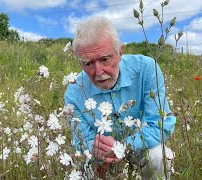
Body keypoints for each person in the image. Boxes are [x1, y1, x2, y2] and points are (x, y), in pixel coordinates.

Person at [64, 16, 176, 180]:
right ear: (80, 62)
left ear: (120, 52)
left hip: (139, 148)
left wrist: (122, 146)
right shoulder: (74, 93)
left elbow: (162, 125)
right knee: (82, 170)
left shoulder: (146, 68)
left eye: (105, 59)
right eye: (88, 63)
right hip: (101, 158)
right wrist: (93, 148)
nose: (99, 72)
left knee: (158, 156)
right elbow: (80, 143)